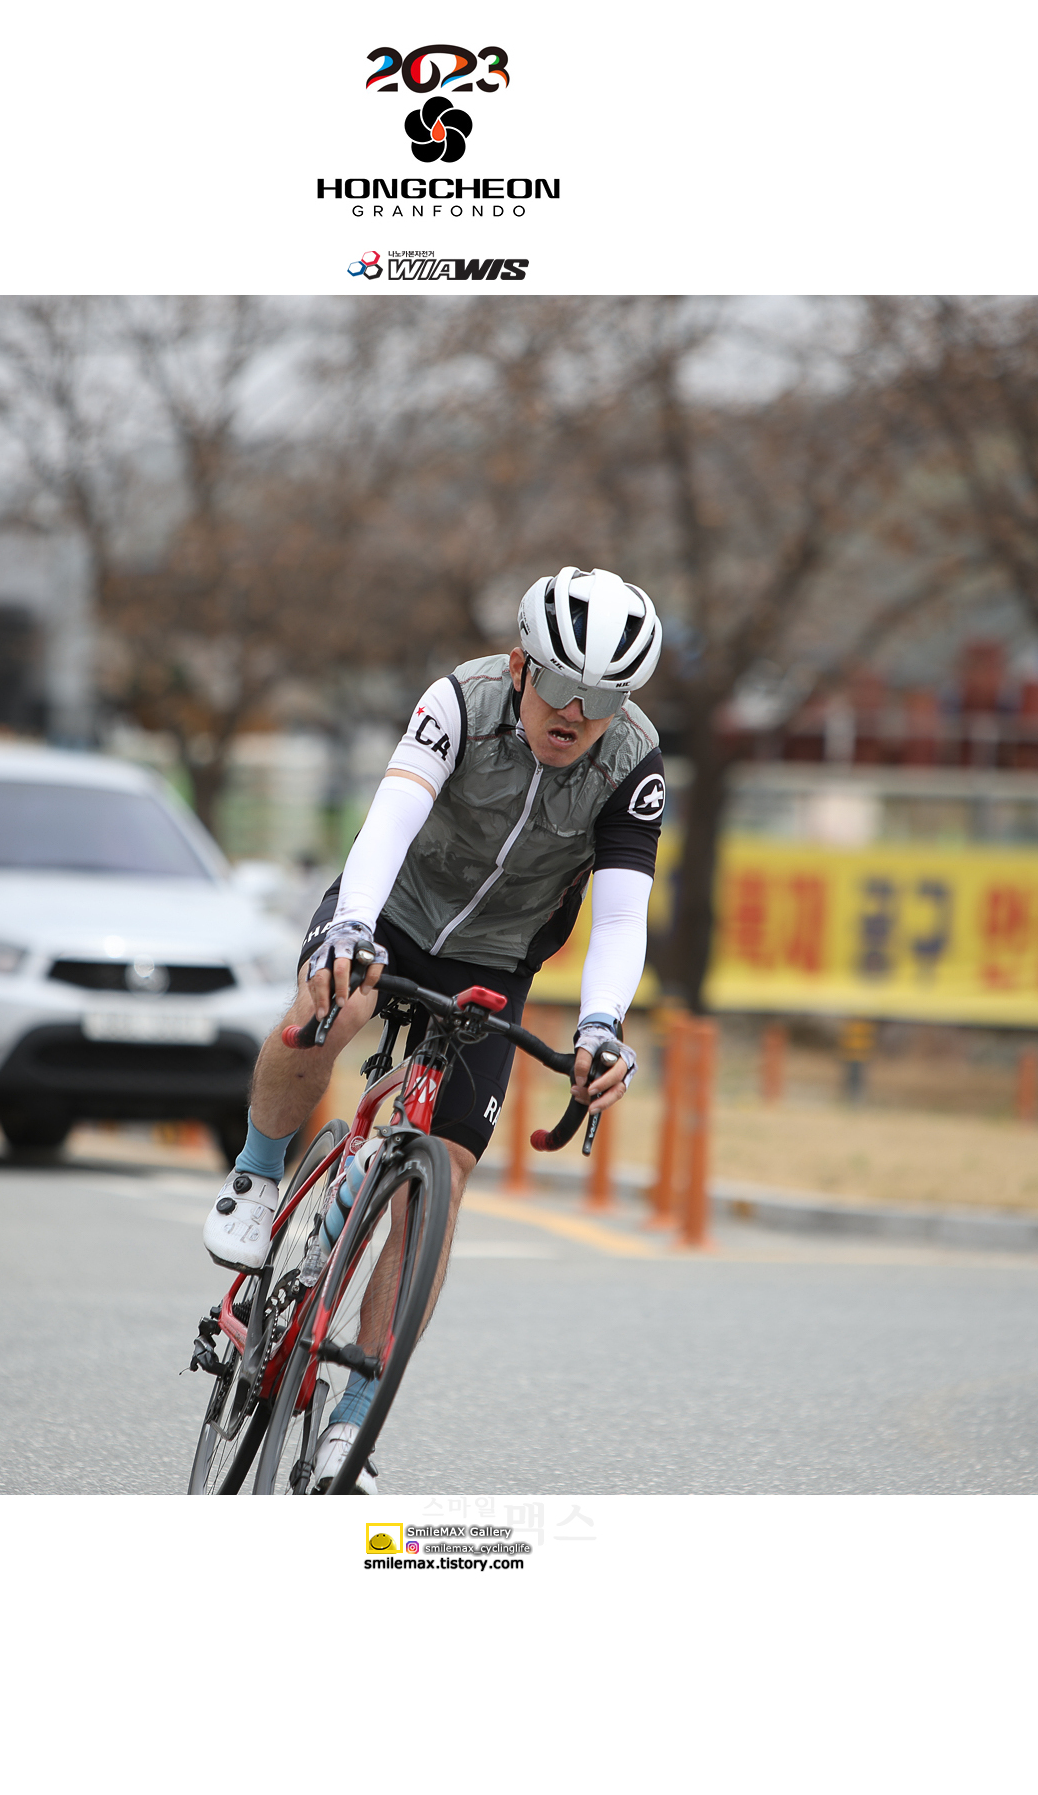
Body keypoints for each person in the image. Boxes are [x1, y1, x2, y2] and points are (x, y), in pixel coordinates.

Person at [202, 565, 668, 1490]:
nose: (576, 713)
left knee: (442, 1173)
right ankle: (256, 1174)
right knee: (337, 1004)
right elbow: (389, 820)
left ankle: (356, 1418)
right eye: (560, 684)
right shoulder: (460, 701)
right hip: (391, 911)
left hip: (497, 957)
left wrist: (601, 1027)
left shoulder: (633, 763)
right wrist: (350, 928)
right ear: (521, 665)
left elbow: (621, 915)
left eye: (604, 697)